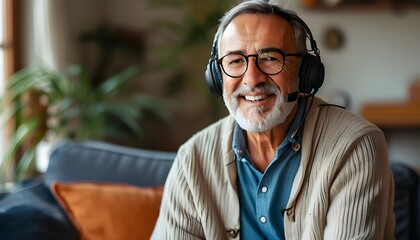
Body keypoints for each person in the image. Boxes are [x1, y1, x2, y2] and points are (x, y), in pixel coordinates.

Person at [151, 0, 395, 239]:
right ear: (217, 77)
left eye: (270, 58)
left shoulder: (355, 145)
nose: (252, 79)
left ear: (303, 72)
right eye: (235, 61)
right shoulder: (192, 159)